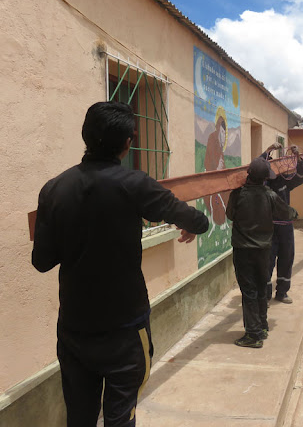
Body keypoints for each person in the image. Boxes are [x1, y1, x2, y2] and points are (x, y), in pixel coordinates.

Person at [31, 101, 209, 427]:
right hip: (125, 330)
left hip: (74, 328)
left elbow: (42, 261)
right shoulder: (135, 184)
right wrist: (194, 226)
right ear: (128, 143)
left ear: (86, 136)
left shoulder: (53, 190)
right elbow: (194, 219)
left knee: (80, 417)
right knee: (120, 416)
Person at [226, 157, 298, 348]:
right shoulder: (270, 195)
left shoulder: (238, 194)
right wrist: (294, 213)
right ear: (265, 178)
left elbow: (229, 215)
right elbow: (287, 213)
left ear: (249, 175)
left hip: (243, 250)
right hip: (263, 250)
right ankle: (262, 327)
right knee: (259, 289)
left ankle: (253, 335)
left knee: (249, 291)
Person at [261, 142, 303, 304]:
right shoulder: (263, 183)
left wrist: (298, 158)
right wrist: (267, 151)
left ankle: (282, 292)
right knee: (267, 260)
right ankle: (265, 295)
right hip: (268, 227)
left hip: (286, 226)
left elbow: (301, 177)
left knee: (287, 258)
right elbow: (256, 166)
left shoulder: (285, 181)